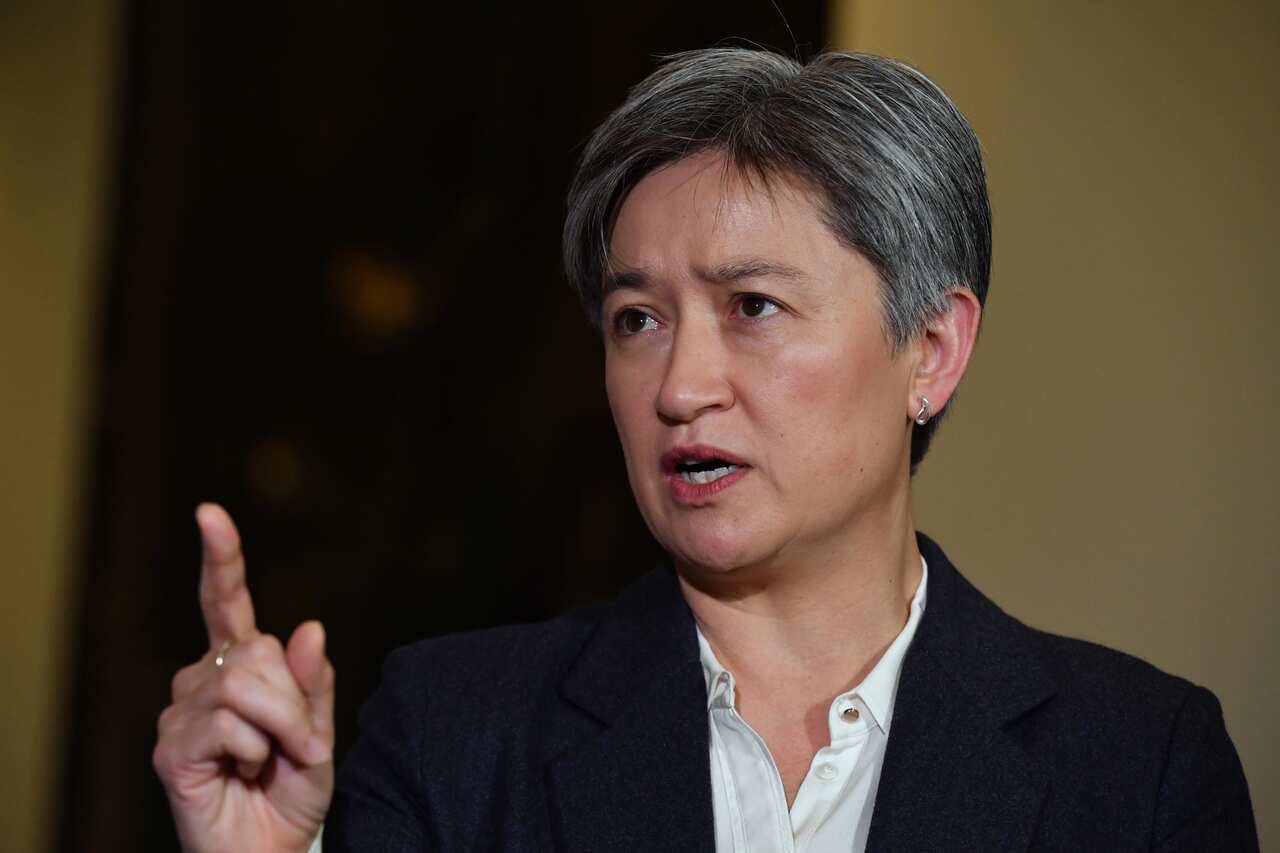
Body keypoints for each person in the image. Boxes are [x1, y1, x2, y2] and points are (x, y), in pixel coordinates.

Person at [153, 48, 1258, 852]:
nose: (677, 387)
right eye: (636, 319)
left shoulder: (1137, 764)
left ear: (930, 349)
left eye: (753, 307)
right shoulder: (456, 731)